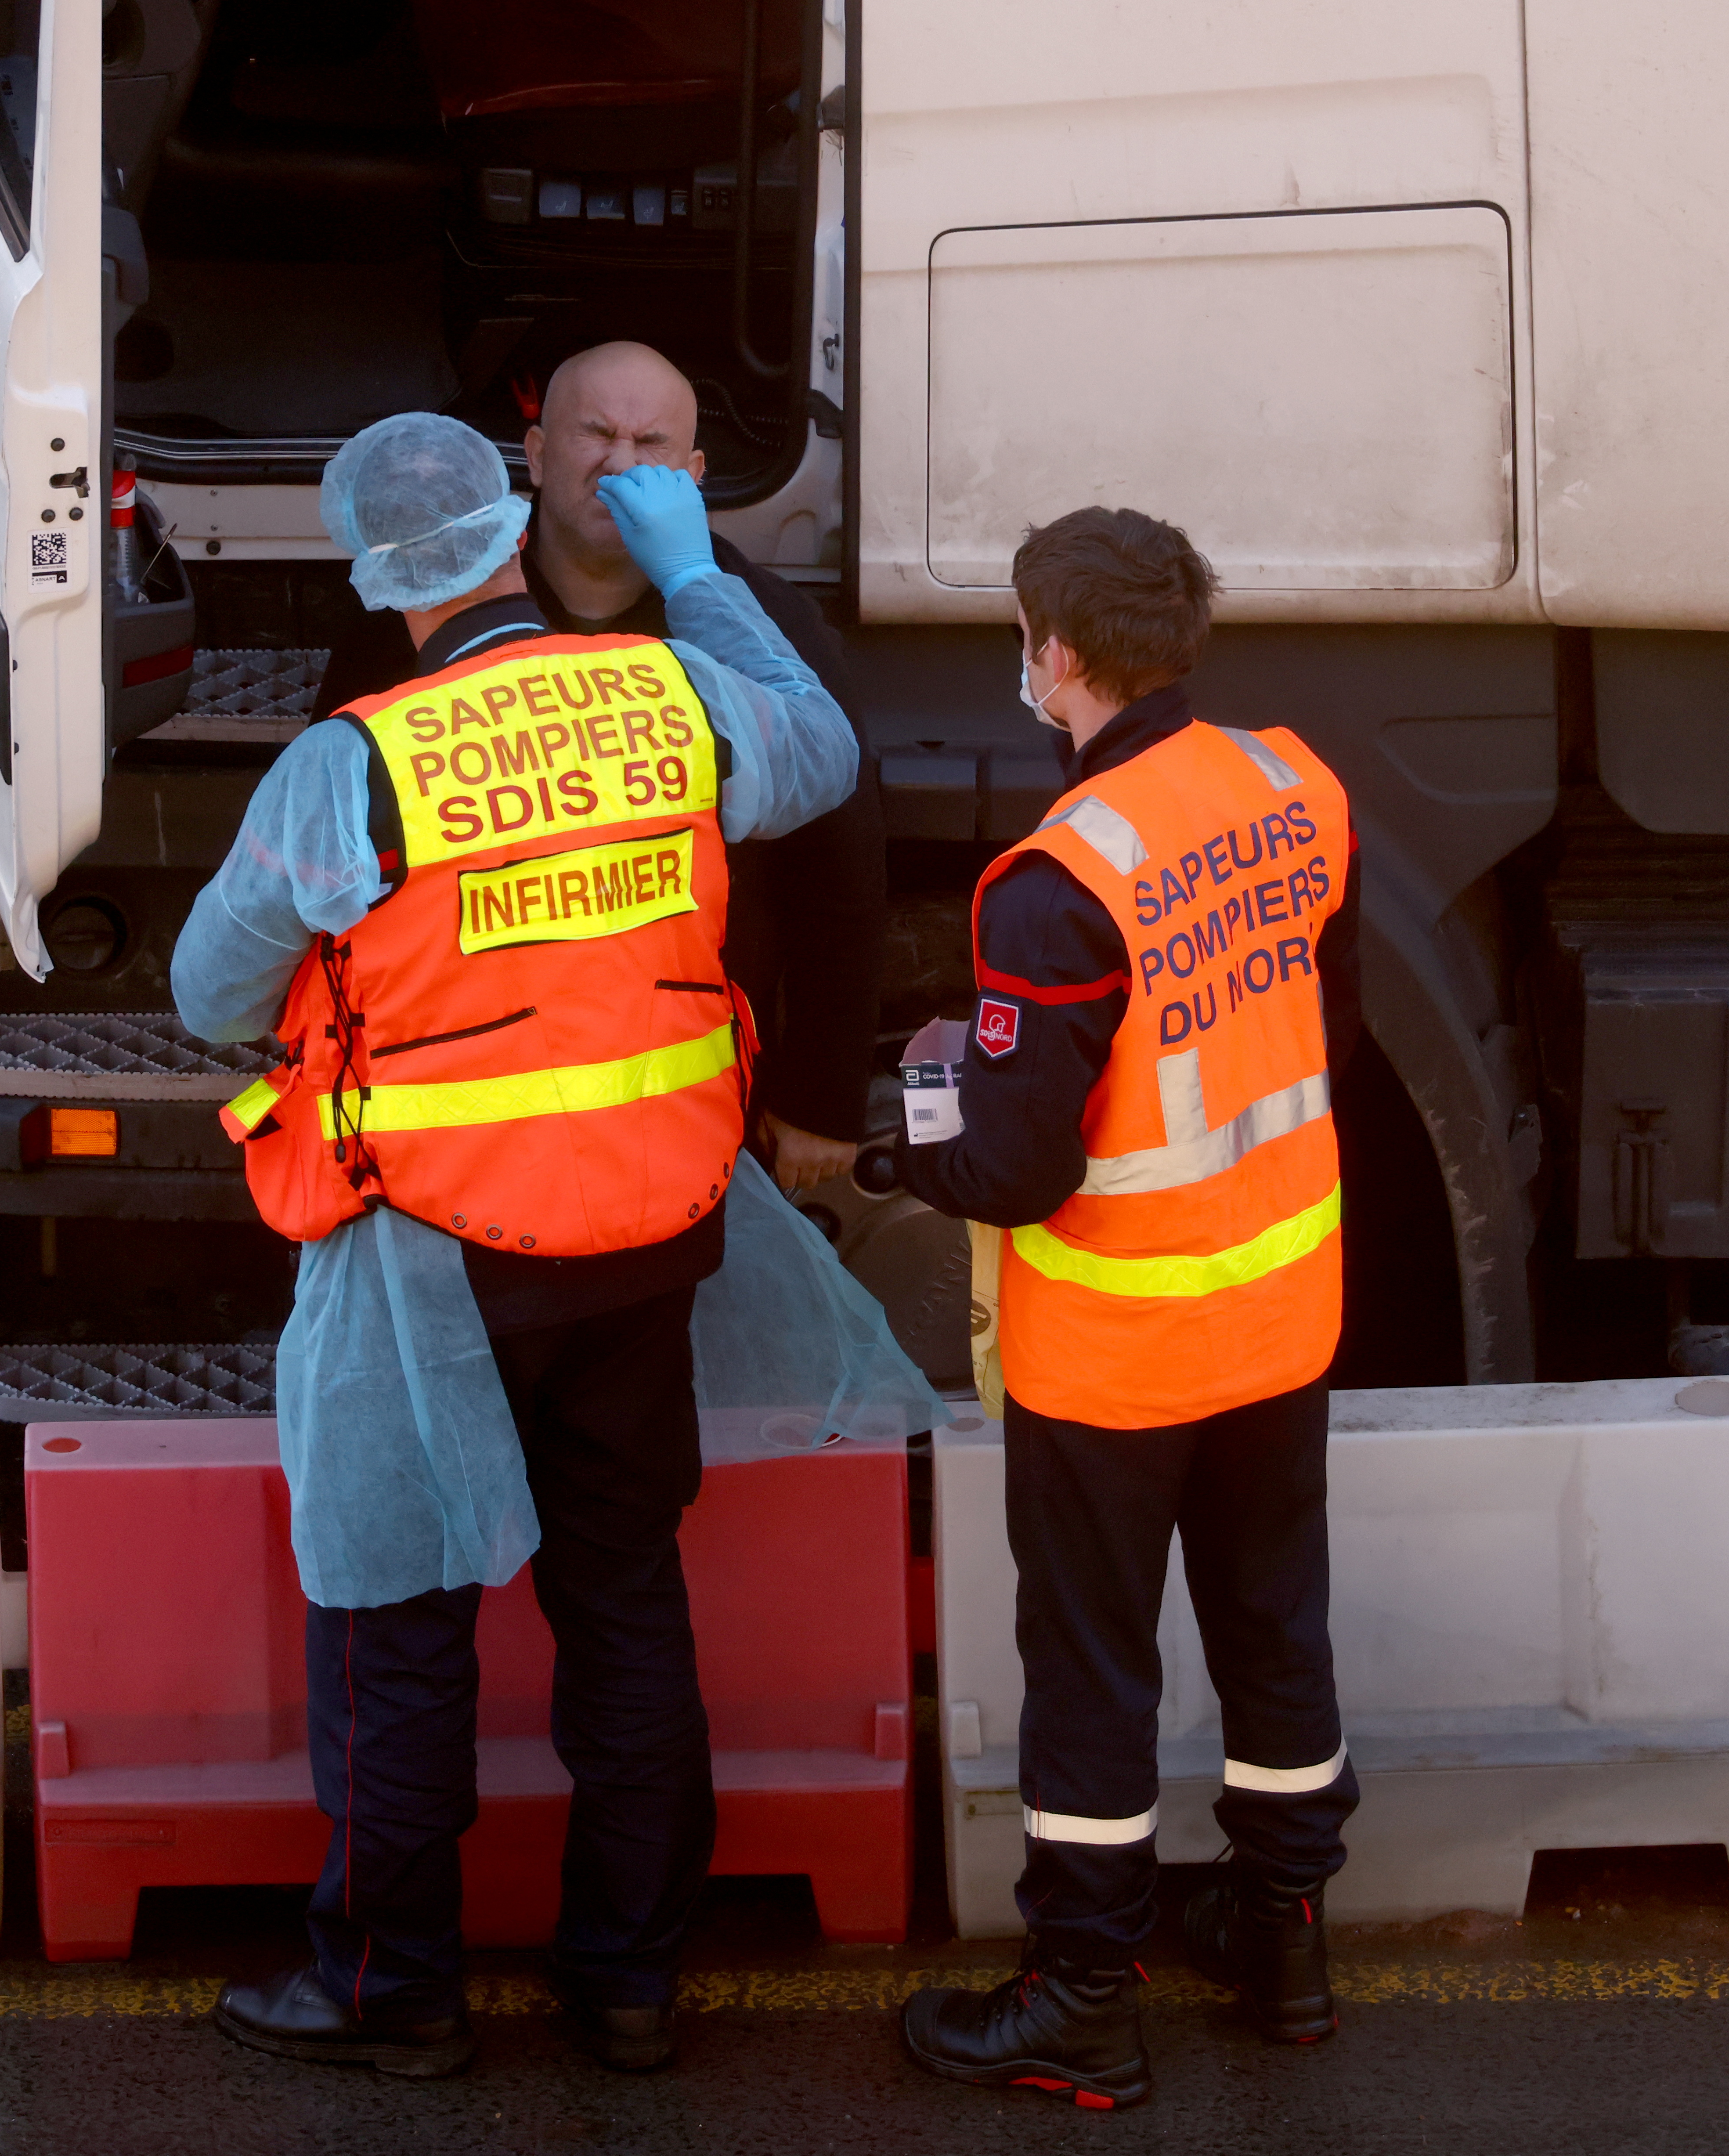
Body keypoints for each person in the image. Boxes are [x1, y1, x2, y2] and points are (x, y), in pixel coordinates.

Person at [171, 412, 859, 2081]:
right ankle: (627, 1982)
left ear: (377, 574)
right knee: (622, 1599)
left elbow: (209, 996)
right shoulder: (672, 692)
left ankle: (388, 1989)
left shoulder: (354, 763)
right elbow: (822, 754)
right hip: (651, 1227)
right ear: (512, 531)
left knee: (399, 1617)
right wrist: (698, 577)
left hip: (435, 1255)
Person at [894, 507, 1362, 2111]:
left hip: (1114, 1358)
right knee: (1272, 1638)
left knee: (1096, 1676)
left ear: (1060, 657)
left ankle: (1085, 1998)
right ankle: (1284, 1941)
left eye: (1026, 641)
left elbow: (1017, 1174)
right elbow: (1323, 1033)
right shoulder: (1291, 787)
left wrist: (909, 1149)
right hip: (1280, 1317)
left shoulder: (1055, 882)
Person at [521, 339, 887, 1193]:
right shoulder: (452, 606)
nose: (620, 462)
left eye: (650, 447)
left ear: (690, 474)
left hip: (686, 1097)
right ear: (537, 455)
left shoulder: (767, 630)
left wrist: (821, 1095)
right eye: (596, 434)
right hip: (498, 1087)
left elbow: (842, 873)